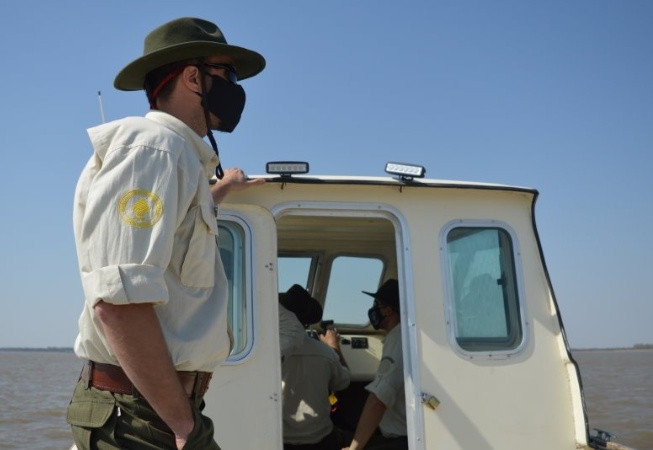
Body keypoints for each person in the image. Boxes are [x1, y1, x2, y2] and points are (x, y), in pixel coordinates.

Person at [66, 17, 265, 450]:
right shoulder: (153, 148)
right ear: (194, 77)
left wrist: (219, 191)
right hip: (143, 417)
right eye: (226, 74)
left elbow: (172, 235)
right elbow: (119, 303)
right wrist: (181, 423)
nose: (235, 88)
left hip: (154, 408)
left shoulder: (175, 158)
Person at [280, 285, 351, 450]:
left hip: (280, 439)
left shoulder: (270, 352)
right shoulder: (326, 354)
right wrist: (334, 347)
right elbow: (344, 382)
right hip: (320, 440)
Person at [343, 279, 407, 450]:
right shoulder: (404, 335)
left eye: (377, 304)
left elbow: (377, 401)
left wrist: (354, 448)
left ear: (388, 310)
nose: (374, 309)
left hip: (400, 440)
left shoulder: (398, 338)